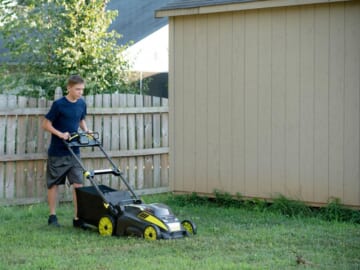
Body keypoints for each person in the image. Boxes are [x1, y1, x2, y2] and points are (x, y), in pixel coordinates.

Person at [42, 75, 90, 228]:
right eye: (77, 89)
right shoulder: (59, 105)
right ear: (69, 88)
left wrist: (87, 131)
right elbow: (46, 124)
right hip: (58, 151)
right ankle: (52, 216)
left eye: (82, 89)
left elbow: (81, 119)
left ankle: (78, 218)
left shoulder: (82, 104)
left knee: (78, 184)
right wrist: (60, 134)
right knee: (54, 184)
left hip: (74, 151)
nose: (80, 92)